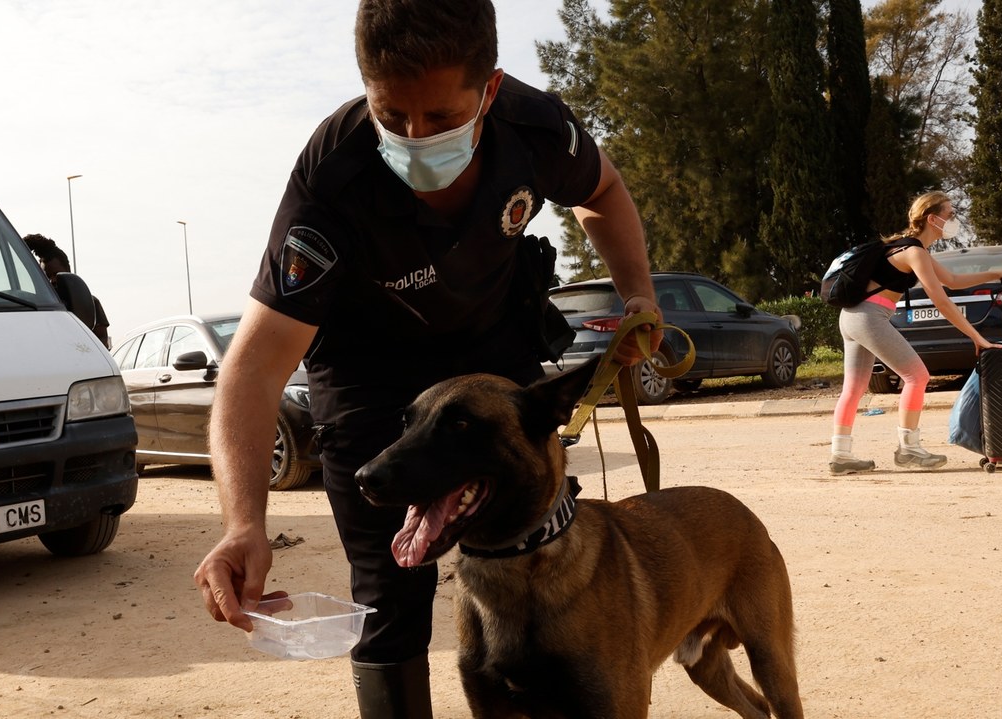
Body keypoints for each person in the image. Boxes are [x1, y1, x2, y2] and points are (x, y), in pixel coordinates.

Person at [191, 1, 661, 716]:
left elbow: (602, 190)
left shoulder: (533, 129)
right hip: (369, 371)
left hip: (488, 348)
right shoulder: (332, 178)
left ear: (491, 92)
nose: (413, 140)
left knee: (531, 521)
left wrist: (637, 296)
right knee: (392, 588)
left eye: (441, 120)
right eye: (392, 115)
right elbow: (254, 369)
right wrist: (243, 523)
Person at [828, 191, 1002, 475]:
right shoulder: (914, 251)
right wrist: (976, 337)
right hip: (870, 318)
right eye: (950, 214)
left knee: (854, 389)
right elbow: (942, 300)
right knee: (917, 376)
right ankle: (909, 450)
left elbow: (953, 281)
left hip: (852, 317)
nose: (952, 219)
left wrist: (995, 273)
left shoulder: (908, 248)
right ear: (933, 218)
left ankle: (840, 455)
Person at [22, 233, 111, 348]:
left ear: (68, 271)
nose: (52, 280)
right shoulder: (36, 305)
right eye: (47, 276)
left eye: (56, 274)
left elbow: (102, 338)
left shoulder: (89, 301)